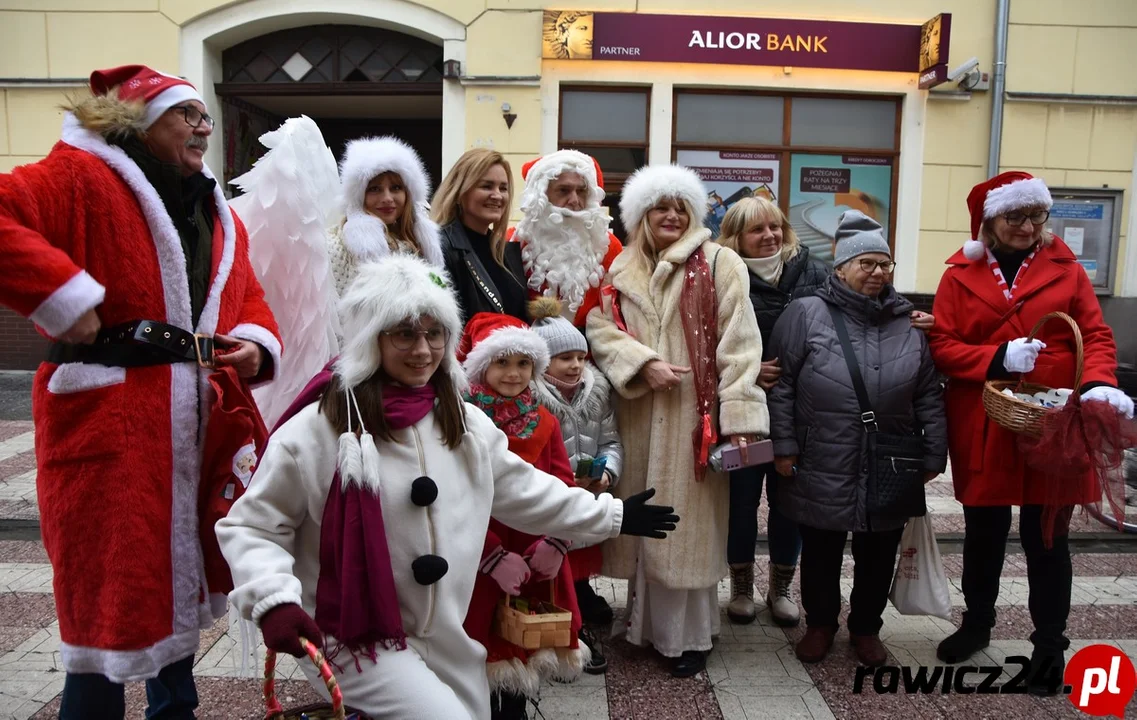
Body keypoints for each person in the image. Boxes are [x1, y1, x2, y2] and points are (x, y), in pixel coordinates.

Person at [217, 255, 679, 720]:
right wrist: (273, 599)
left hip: (448, 636)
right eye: (404, 333)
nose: (422, 350)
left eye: (434, 333)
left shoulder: (462, 420)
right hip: (355, 638)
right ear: (370, 338)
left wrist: (613, 515)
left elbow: (526, 491)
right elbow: (255, 526)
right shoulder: (320, 429)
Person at [0, 64, 282, 718]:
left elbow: (249, 293)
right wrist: (63, 298)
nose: (204, 126)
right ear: (138, 121)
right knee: (106, 604)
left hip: (192, 422)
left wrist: (251, 342)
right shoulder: (78, 174)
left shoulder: (212, 210)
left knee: (177, 587)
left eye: (205, 116)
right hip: (107, 419)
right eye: (188, 114)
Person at [928, 171, 1134, 693]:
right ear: (989, 223)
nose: (1026, 226)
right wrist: (997, 355)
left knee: (1048, 540)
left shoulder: (1068, 270)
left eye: (1034, 215)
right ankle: (977, 624)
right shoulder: (957, 276)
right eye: (1013, 217)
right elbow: (943, 346)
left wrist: (1098, 384)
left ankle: (1049, 646)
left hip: (1054, 420)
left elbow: (1095, 335)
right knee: (984, 534)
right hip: (985, 420)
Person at [587, 164, 768, 678]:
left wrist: (739, 417)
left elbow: (740, 345)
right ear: (641, 216)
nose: (670, 215)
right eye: (659, 207)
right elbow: (599, 329)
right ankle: (643, 627)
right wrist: (643, 364)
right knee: (647, 527)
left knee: (687, 536)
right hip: (641, 415)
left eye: (679, 206)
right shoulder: (618, 268)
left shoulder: (719, 262)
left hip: (696, 421)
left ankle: (689, 637)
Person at [768, 210, 948, 667]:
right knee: (822, 549)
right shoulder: (806, 313)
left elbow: (928, 391)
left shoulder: (910, 322)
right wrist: (784, 447)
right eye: (866, 263)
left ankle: (866, 628)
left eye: (884, 264)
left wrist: (934, 452)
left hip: (891, 459)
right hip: (820, 454)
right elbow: (782, 384)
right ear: (841, 268)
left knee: (878, 552)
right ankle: (821, 624)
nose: (877, 273)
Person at [458, 310, 587, 717]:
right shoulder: (461, 422)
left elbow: (563, 483)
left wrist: (556, 542)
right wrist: (491, 555)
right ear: (482, 366)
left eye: (523, 364)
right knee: (478, 648)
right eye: (502, 362)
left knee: (522, 648)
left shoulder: (544, 421)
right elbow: (457, 498)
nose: (513, 374)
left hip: (533, 555)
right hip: (479, 556)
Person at [714, 197, 825, 627]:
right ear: (736, 237)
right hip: (744, 415)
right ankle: (740, 586)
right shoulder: (724, 274)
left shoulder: (813, 272)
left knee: (789, 504)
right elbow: (708, 339)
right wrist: (747, 369)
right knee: (740, 504)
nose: (770, 236)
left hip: (798, 414)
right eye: (757, 230)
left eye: (775, 227)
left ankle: (780, 588)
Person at [531, 296, 623, 662]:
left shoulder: (595, 392)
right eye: (564, 358)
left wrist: (608, 472)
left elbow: (611, 440)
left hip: (586, 494)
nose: (575, 366)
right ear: (543, 362)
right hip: (552, 498)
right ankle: (566, 625)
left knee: (580, 560)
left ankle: (579, 600)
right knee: (555, 560)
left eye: (580, 358)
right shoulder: (532, 398)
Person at [510, 150, 623, 328]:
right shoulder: (513, 241)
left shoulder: (608, 246)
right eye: (563, 190)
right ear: (542, 195)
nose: (574, 200)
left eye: (581, 191)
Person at [328, 135, 443, 298]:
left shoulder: (419, 244)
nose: (388, 198)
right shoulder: (338, 246)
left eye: (396, 188)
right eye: (375, 189)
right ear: (359, 196)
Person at [434, 148, 528, 323]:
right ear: (459, 192)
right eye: (486, 186)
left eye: (503, 188)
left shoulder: (508, 252)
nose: (497, 195)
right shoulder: (440, 247)